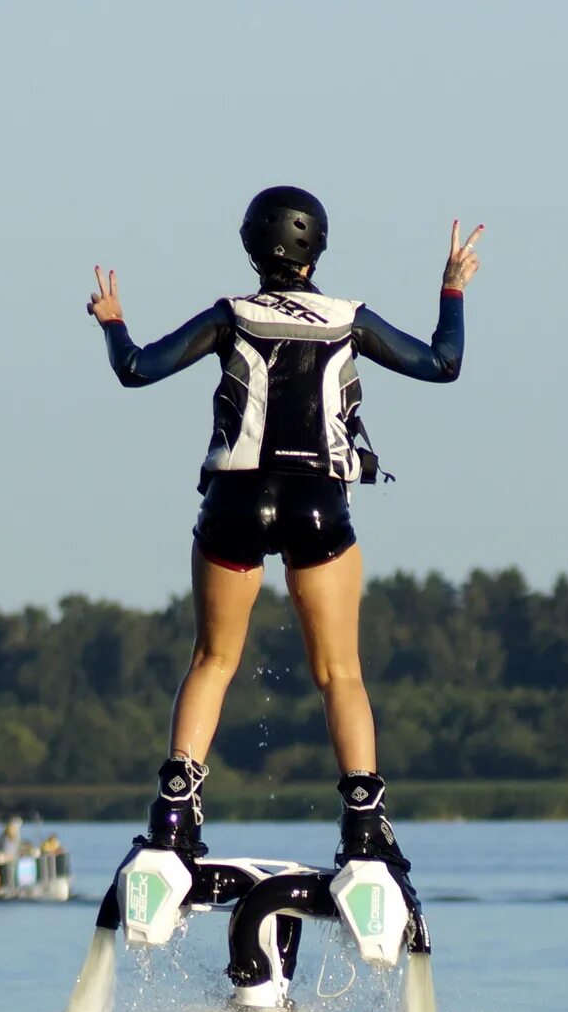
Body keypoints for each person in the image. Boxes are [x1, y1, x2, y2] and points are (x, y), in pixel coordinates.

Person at [87, 186, 483, 868]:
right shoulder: (347, 318)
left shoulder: (229, 315)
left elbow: (135, 368)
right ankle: (363, 822)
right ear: (317, 247)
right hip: (316, 503)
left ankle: (175, 811)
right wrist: (451, 291)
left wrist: (113, 321)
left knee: (212, 661)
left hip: (235, 502)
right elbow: (442, 364)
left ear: (249, 246)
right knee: (340, 673)